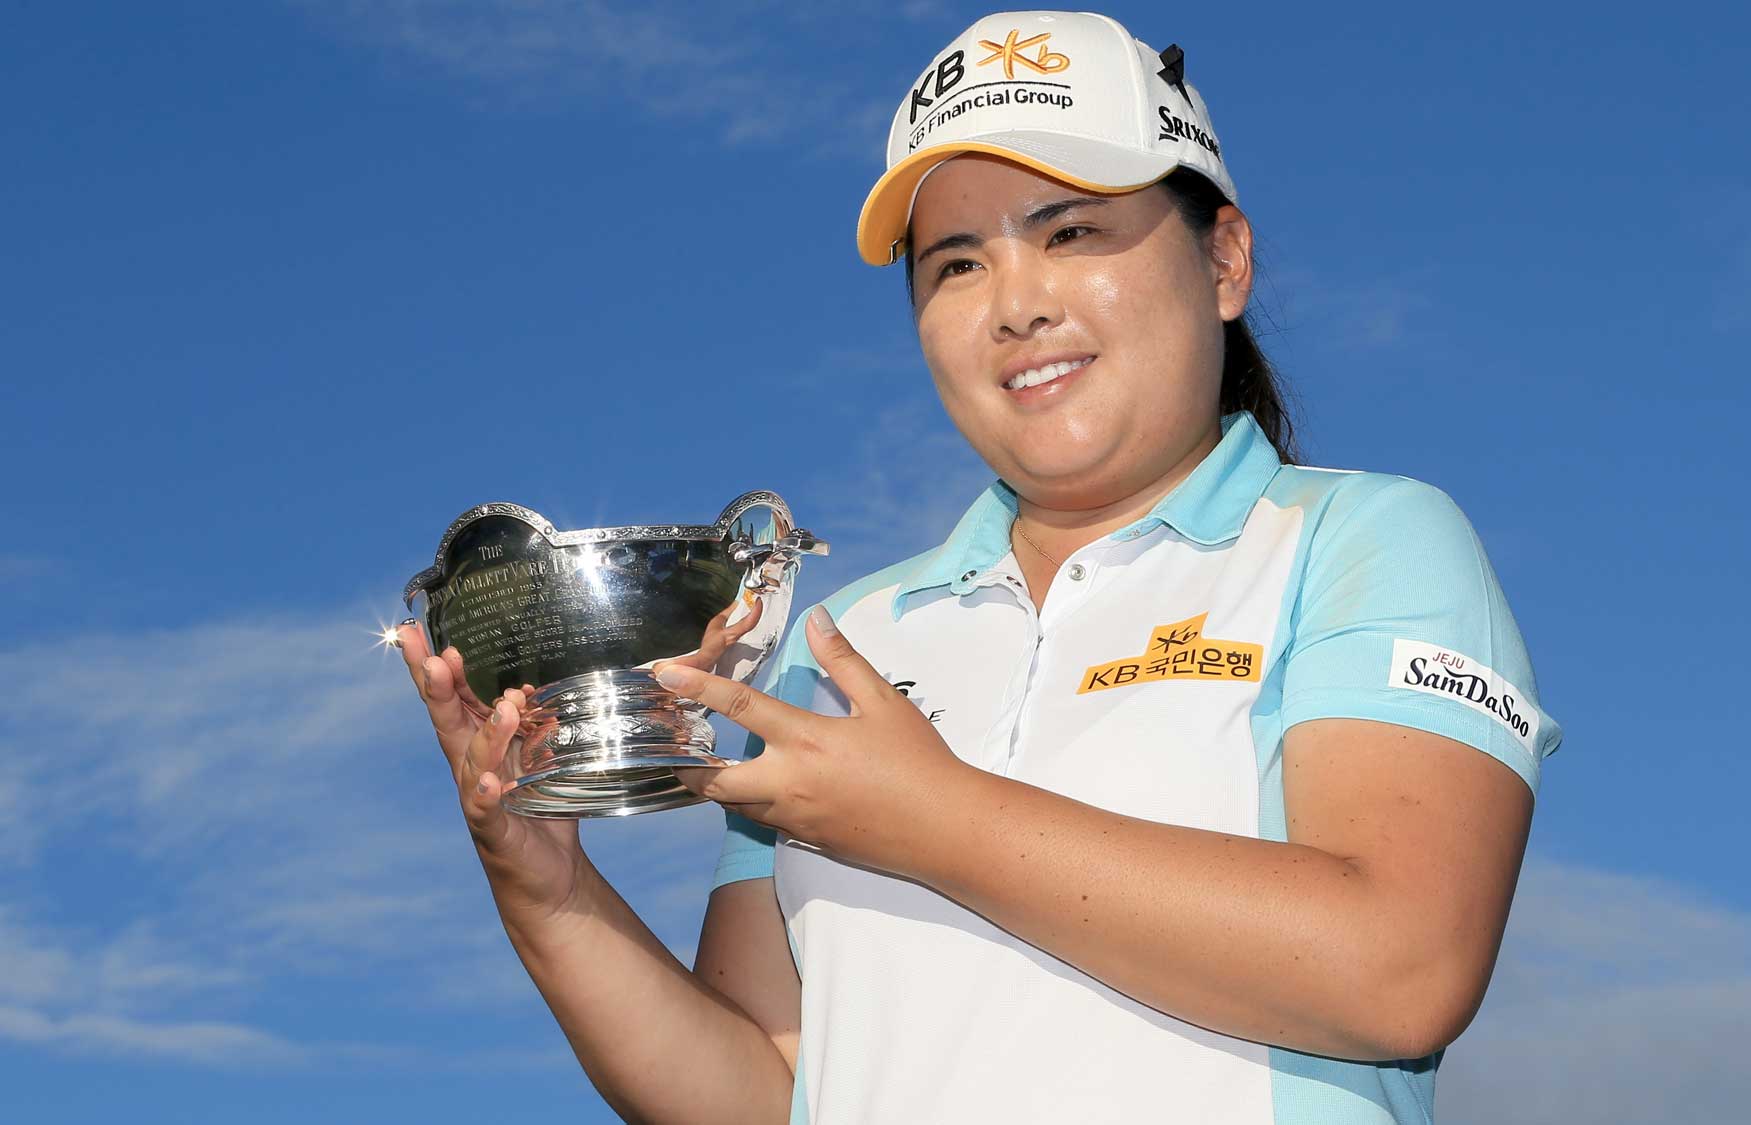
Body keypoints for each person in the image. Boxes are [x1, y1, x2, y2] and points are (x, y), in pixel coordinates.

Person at [397, 11, 1563, 1123]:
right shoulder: (840, 639)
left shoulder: (1362, 540)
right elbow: (764, 1094)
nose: (1014, 306)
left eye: (1070, 232)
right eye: (954, 265)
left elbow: (1400, 964)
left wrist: (934, 819)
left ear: (1224, 262)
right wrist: (543, 885)